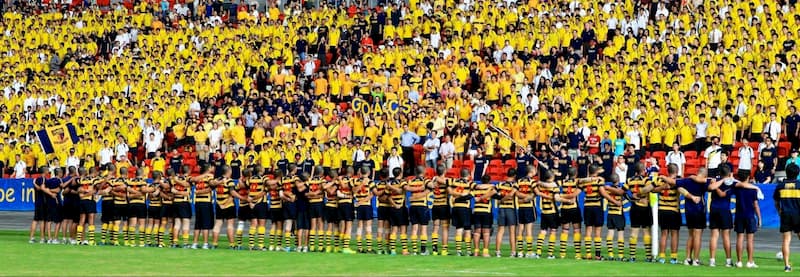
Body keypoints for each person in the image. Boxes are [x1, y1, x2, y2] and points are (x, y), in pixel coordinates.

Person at [707, 166, 762, 267]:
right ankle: (729, 261)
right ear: (729, 173)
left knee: (714, 236)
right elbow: (743, 185)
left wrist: (720, 182)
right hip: (725, 211)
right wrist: (756, 187)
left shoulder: (714, 181)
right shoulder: (732, 183)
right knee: (726, 236)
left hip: (714, 210)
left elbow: (711, 188)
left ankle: (712, 260)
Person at [626, 163, 655, 262]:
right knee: (646, 231)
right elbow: (651, 189)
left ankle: (632, 257)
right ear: (643, 170)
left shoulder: (629, 180)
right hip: (644, 207)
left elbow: (623, 193)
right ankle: (648, 256)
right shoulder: (646, 180)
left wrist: (633, 199)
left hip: (634, 207)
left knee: (634, 231)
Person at [774, 163, 800, 273]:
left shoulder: (780, 185)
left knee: (786, 240)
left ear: (786, 172)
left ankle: (787, 266)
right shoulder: (799, 185)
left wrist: (779, 210)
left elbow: (776, 201)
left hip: (785, 214)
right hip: (798, 214)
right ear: (797, 173)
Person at [733, 174, 762, 268]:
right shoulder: (753, 190)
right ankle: (750, 261)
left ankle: (739, 261)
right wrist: (759, 218)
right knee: (750, 240)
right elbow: (756, 205)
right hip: (749, 216)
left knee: (739, 238)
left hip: (739, 216)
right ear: (748, 178)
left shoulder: (737, 188)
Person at [579, 165, 606, 260]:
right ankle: (598, 255)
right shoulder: (599, 180)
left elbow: (578, 185)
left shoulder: (584, 182)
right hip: (597, 206)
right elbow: (603, 193)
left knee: (588, 230)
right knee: (597, 231)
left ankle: (588, 254)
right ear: (597, 171)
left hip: (587, 207)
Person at [534, 169, 561, 259]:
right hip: (552, 212)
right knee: (553, 231)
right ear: (552, 177)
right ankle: (550, 253)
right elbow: (557, 198)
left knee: (543, 231)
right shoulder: (554, 187)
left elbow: (538, 185)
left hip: (544, 211)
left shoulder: (541, 186)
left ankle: (538, 252)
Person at [210, 166, 238, 249]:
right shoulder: (230, 181)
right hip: (228, 205)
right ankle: (232, 244)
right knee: (230, 225)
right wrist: (225, 205)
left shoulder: (217, 180)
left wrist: (221, 205)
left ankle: (214, 244)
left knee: (217, 224)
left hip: (219, 204)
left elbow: (211, 185)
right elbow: (232, 194)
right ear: (229, 171)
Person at [558, 168, 584, 259]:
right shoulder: (577, 181)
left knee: (565, 230)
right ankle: (578, 254)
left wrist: (561, 195)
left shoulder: (563, 181)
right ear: (576, 174)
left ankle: (562, 254)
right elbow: (575, 194)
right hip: (574, 209)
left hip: (564, 208)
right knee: (577, 230)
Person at [449, 168, 475, 256]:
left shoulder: (454, 182)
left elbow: (451, 191)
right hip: (465, 208)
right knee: (467, 229)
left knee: (459, 229)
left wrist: (457, 199)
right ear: (468, 175)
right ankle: (468, 251)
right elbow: (471, 195)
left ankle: (458, 251)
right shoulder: (469, 183)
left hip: (456, 207)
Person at [601, 173, 626, 261]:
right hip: (618, 213)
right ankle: (620, 256)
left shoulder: (607, 189)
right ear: (619, 179)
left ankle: (610, 255)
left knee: (610, 233)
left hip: (610, 213)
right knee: (620, 233)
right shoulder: (620, 188)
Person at [407, 166, 431, 255]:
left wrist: (414, 196)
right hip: (422, 206)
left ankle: (414, 250)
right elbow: (431, 186)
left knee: (414, 229)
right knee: (423, 229)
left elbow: (406, 188)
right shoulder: (425, 180)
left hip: (413, 206)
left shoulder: (411, 181)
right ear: (423, 171)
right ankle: (423, 250)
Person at [495, 169, 519, 257]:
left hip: (501, 209)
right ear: (514, 176)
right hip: (510, 208)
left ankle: (497, 251)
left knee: (500, 231)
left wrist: (500, 199)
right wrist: (502, 200)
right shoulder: (515, 185)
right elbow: (511, 195)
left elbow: (494, 193)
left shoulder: (499, 184)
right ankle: (513, 252)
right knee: (512, 232)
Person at [386, 167, 409, 255]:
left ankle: (393, 250)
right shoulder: (402, 182)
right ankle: (404, 250)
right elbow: (400, 191)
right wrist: (397, 205)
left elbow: (388, 197)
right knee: (403, 230)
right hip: (401, 208)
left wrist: (394, 205)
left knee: (394, 229)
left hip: (392, 208)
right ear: (400, 173)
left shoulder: (390, 183)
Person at [190, 166, 215, 249]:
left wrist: (197, 192)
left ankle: (195, 243)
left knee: (198, 224)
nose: (213, 168)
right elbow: (210, 189)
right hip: (206, 202)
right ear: (208, 169)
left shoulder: (198, 178)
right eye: (211, 167)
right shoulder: (210, 177)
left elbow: (193, 180)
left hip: (198, 202)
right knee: (205, 224)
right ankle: (205, 244)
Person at [472, 175, 496, 257]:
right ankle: (485, 252)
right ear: (489, 181)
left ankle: (476, 251)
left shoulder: (476, 188)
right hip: (486, 211)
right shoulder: (491, 188)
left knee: (476, 232)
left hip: (477, 211)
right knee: (486, 232)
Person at [170, 166, 194, 248]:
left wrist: (176, 191)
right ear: (189, 170)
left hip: (175, 202)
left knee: (177, 224)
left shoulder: (175, 179)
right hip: (184, 203)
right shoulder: (189, 178)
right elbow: (186, 191)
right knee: (186, 223)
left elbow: (173, 191)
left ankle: (175, 242)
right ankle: (185, 243)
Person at [517, 166, 537, 258]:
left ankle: (520, 251)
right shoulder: (532, 182)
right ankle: (529, 251)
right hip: (529, 207)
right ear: (532, 171)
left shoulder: (519, 181)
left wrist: (522, 199)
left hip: (521, 207)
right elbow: (536, 192)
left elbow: (516, 193)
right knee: (529, 230)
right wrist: (528, 197)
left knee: (520, 229)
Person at [430, 166, 451, 256]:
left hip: (435, 205)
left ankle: (434, 250)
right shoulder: (447, 180)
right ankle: (444, 250)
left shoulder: (433, 181)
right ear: (445, 171)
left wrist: (435, 178)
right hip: (444, 205)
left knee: (435, 227)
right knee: (445, 229)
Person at [353, 167, 374, 253]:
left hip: (359, 205)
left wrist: (360, 202)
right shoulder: (370, 182)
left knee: (359, 227)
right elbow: (372, 195)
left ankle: (360, 248)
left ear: (360, 172)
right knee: (368, 227)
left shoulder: (356, 181)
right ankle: (369, 248)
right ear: (369, 173)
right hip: (367, 205)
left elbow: (353, 191)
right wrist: (363, 201)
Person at [29, 167, 48, 243]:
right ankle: (42, 238)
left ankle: (31, 238)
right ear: (45, 171)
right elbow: (41, 188)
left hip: (37, 201)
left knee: (35, 219)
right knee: (42, 220)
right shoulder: (43, 179)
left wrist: (34, 183)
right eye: (47, 170)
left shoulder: (36, 179)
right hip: (42, 201)